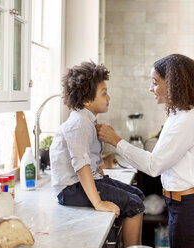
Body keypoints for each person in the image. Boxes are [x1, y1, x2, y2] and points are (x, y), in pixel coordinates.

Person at [96, 54, 194, 248]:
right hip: (182, 205)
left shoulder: (189, 119)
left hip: (192, 208)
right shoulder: (178, 114)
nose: (151, 88)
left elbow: (154, 165)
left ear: (172, 84)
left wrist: (116, 141)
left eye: (155, 82)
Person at [49, 61, 144, 247]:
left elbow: (88, 159)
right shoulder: (79, 124)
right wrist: (98, 203)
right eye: (103, 93)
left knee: (137, 195)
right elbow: (81, 166)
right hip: (70, 189)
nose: (108, 97)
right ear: (86, 100)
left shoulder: (86, 120)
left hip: (78, 185)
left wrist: (99, 170)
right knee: (134, 205)